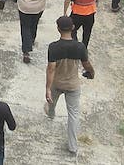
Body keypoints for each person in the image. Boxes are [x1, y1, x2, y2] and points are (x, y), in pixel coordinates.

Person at [45, 16, 96, 156]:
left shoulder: (53, 47)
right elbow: (86, 65)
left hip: (57, 83)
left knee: (51, 103)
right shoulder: (79, 47)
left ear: (58, 29)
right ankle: (73, 146)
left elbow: (51, 69)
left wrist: (48, 88)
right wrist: (92, 72)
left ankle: (51, 114)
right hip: (73, 85)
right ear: (73, 28)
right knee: (73, 114)